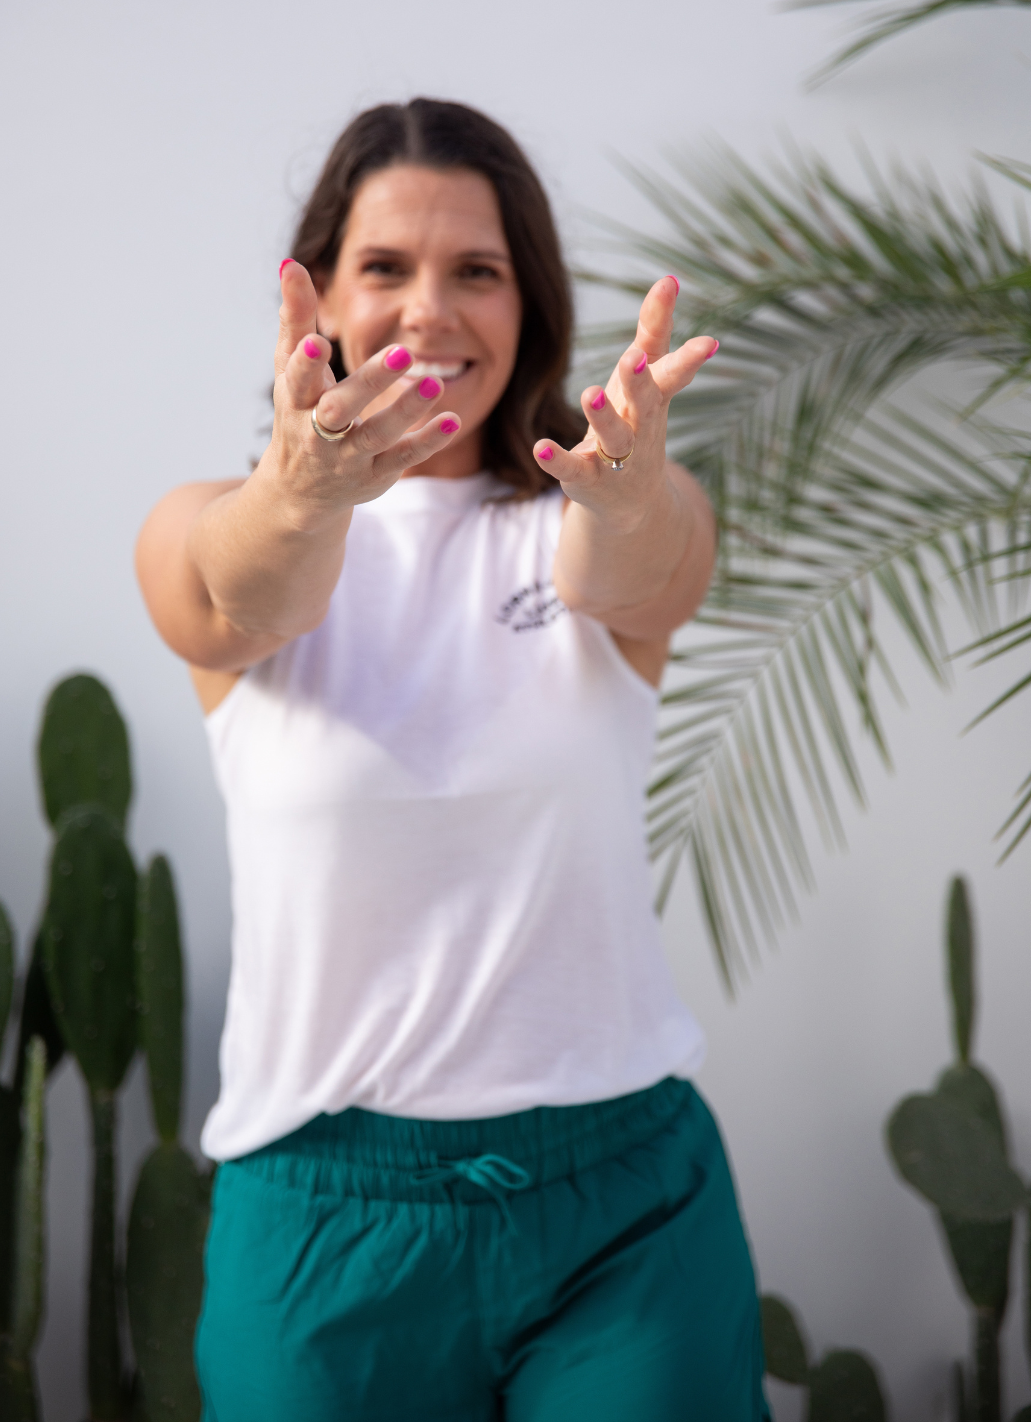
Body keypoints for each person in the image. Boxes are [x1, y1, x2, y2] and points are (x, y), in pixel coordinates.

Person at [136, 97, 770, 1422]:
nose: (430, 309)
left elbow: (642, 566)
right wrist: (306, 492)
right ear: (314, 296)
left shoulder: (599, 512)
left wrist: (634, 488)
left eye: (475, 271)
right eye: (386, 268)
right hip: (320, 1221)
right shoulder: (205, 523)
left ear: (529, 305)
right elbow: (255, 590)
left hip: (621, 1211)